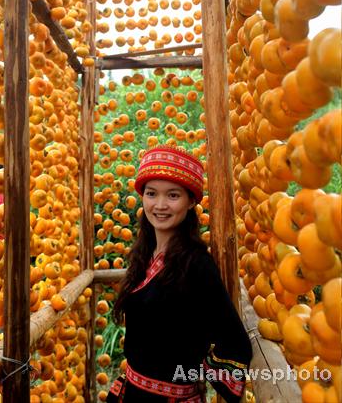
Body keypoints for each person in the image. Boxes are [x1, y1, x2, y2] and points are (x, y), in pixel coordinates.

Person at [108, 145, 253, 403]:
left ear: (191, 201)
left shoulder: (197, 265)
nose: (160, 205)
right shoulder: (143, 254)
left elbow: (235, 343)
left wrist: (188, 374)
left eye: (173, 195)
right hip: (130, 393)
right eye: (152, 194)